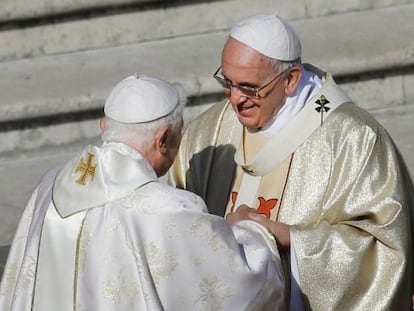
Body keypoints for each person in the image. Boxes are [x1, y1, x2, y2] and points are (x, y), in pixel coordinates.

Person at [169, 13, 414, 310]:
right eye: (227, 82)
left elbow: (385, 250)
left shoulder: (353, 138)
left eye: (250, 87)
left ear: (291, 80)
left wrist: (292, 240)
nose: (235, 99)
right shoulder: (207, 133)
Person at [0, 74, 286, 310]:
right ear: (164, 140)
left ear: (104, 126)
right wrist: (248, 230)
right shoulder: (165, 209)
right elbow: (242, 285)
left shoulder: (48, 185)